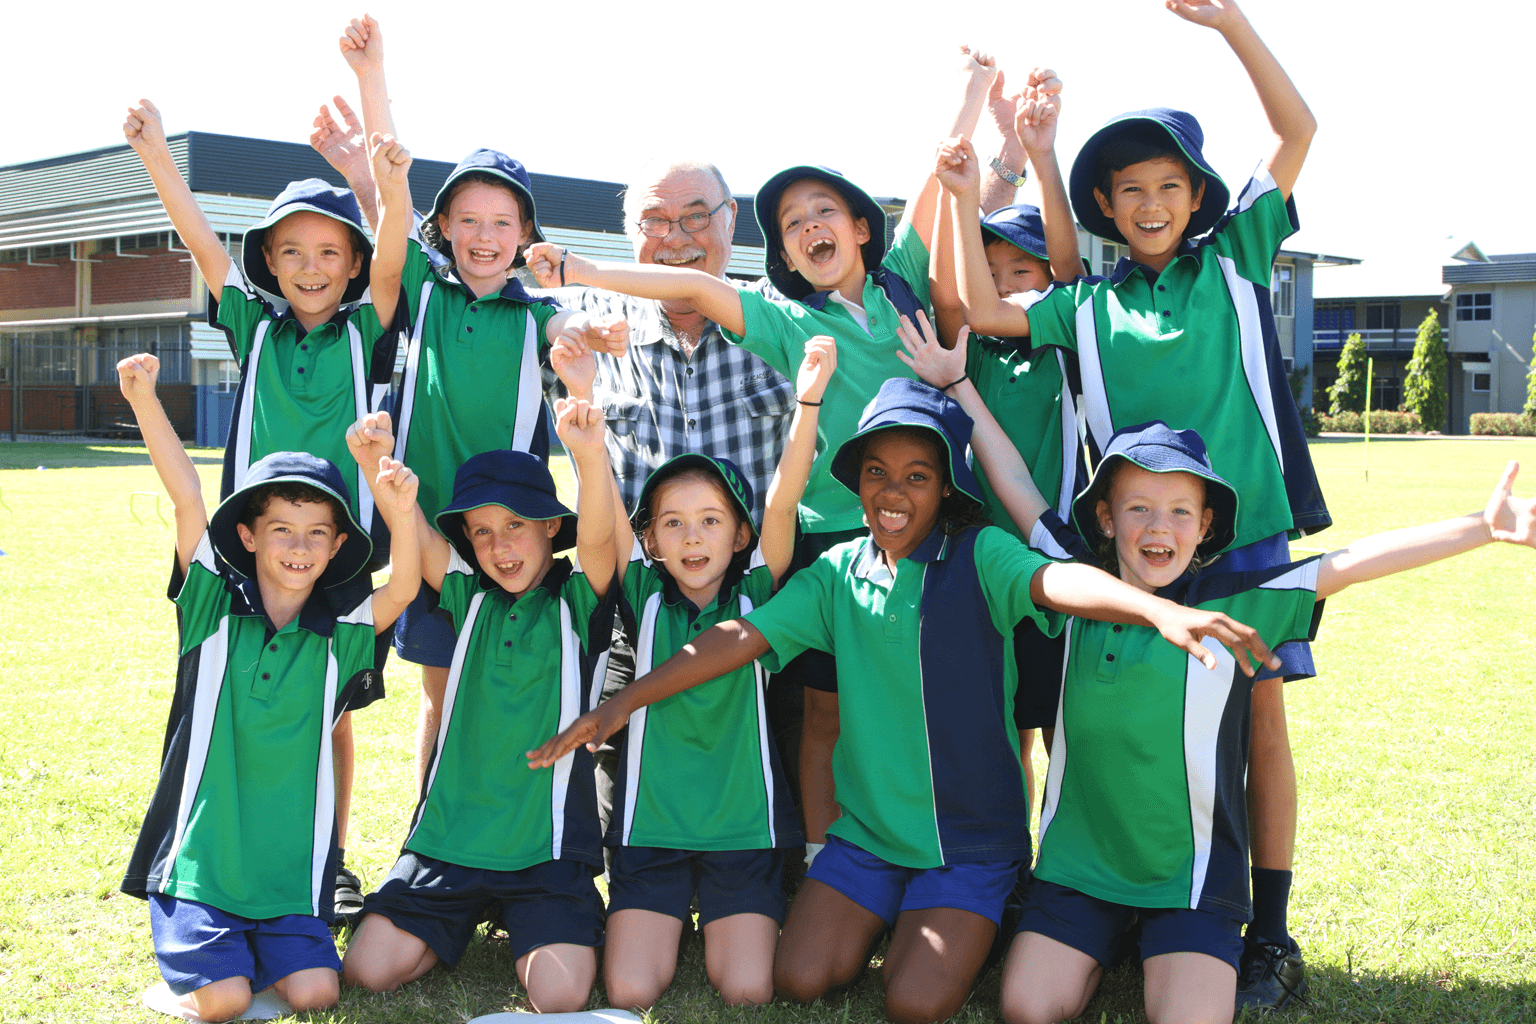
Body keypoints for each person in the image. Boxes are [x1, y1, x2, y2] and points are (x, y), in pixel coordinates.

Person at [529, 377, 1281, 1024]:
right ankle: (895, 911)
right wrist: (622, 703)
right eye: (877, 473)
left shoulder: (982, 553)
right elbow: (737, 638)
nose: (894, 493)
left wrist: (1156, 608)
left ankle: (988, 911)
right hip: (867, 840)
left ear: (946, 487)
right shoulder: (836, 573)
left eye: (918, 476)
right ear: (856, 482)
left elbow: (1057, 581)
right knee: (799, 978)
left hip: (970, 847)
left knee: (915, 1003)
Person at [939, 1, 1326, 1004]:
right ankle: (1097, 896)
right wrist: (970, 191)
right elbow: (983, 309)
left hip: (1242, 537)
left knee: (1259, 726)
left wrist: (1231, 25)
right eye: (1129, 190)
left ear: (1198, 196)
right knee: (1105, 719)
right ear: (1104, 204)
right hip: (1134, 543)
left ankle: (1268, 931)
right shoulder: (1086, 304)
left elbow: (1297, 131)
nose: (1150, 204)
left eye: (1169, 185)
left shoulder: (1236, 256)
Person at [918, 405, 1536, 1024]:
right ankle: (1106, 937)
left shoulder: (1234, 604)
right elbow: (1017, 487)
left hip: (1191, 880)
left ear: (1205, 525)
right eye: (1139, 508)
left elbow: (1349, 563)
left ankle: (1154, 939)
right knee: (1026, 1008)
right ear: (1106, 518)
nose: (1159, 527)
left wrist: (1483, 527)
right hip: (1079, 869)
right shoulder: (1077, 583)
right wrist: (958, 385)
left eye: (1180, 512)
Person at [323, 14, 629, 808]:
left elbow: (567, 329)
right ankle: (434, 825)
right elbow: (391, 195)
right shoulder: (424, 289)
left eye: (502, 223)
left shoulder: (536, 311)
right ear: (445, 228)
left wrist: (590, 332)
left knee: (506, 684)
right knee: (440, 692)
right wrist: (372, 77)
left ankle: (512, 820)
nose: (484, 236)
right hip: (427, 527)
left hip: (507, 532)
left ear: (525, 234)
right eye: (468, 220)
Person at [123, 95, 414, 927]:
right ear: (272, 264)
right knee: (231, 702)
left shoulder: (368, 328)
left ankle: (329, 855)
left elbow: (395, 256)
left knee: (331, 711)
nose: (310, 267)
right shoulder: (252, 326)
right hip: (251, 551)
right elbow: (202, 244)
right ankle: (214, 849)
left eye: (328, 253)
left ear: (351, 265)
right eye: (292, 252)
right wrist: (156, 157)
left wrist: (390, 187)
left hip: (338, 554)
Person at [115, 353, 420, 1023]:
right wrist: (144, 400)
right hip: (203, 866)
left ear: (336, 547)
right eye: (281, 529)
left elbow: (403, 586)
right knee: (224, 1003)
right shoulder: (210, 613)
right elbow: (187, 500)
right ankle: (210, 969)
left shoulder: (339, 636)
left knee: (317, 993)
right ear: (248, 536)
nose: (299, 547)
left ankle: (242, 956)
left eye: (317, 534)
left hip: (286, 874)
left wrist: (399, 508)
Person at [560, 333, 834, 1009]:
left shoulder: (758, 593)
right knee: (630, 987)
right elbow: (603, 520)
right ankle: (664, 915)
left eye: (711, 521)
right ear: (650, 539)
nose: (691, 537)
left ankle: (721, 915)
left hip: (744, 832)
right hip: (651, 830)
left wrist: (807, 402)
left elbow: (783, 496)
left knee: (746, 988)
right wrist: (584, 409)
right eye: (673, 523)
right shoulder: (642, 593)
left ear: (739, 535)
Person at [339, 399, 624, 1012]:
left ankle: (525, 919)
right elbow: (411, 523)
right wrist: (373, 463)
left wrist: (589, 455)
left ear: (551, 526)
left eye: (516, 525)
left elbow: (601, 539)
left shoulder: (578, 601)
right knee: (367, 970)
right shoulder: (468, 596)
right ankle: (458, 917)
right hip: (451, 839)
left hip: (545, 848)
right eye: (482, 532)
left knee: (559, 995)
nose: (501, 546)